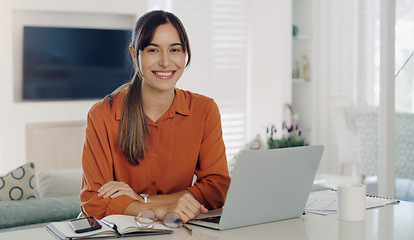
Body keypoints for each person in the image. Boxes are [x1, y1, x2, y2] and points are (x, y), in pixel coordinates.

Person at [80, 10, 231, 223]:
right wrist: (160, 210)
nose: (165, 62)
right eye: (153, 50)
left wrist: (143, 201)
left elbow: (217, 189)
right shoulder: (102, 115)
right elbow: (92, 202)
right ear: (135, 54)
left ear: (185, 53)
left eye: (174, 50)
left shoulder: (205, 110)